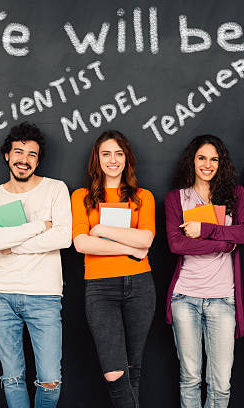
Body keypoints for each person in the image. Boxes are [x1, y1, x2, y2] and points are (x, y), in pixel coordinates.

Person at [0, 122, 71, 408]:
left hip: (44, 295)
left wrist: (13, 246)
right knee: (12, 378)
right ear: (7, 155)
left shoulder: (56, 189)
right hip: (2, 295)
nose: (24, 159)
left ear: (38, 160)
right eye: (18, 152)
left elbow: (63, 237)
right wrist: (38, 226)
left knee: (50, 380)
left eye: (32, 154)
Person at [164, 135, 244, 407]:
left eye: (214, 159)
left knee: (221, 383)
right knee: (190, 378)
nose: (207, 164)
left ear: (221, 162)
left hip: (223, 300)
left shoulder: (235, 194)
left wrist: (205, 230)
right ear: (191, 161)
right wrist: (226, 242)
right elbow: (177, 244)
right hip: (185, 298)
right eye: (201, 158)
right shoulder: (176, 199)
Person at [71, 130, 156, 408]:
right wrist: (131, 249)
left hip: (140, 286)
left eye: (119, 154)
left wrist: (102, 229)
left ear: (127, 159)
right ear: (97, 158)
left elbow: (146, 239)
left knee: (134, 368)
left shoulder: (144, 197)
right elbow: (82, 244)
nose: (113, 160)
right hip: (100, 288)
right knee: (114, 371)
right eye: (106, 153)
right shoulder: (82, 197)